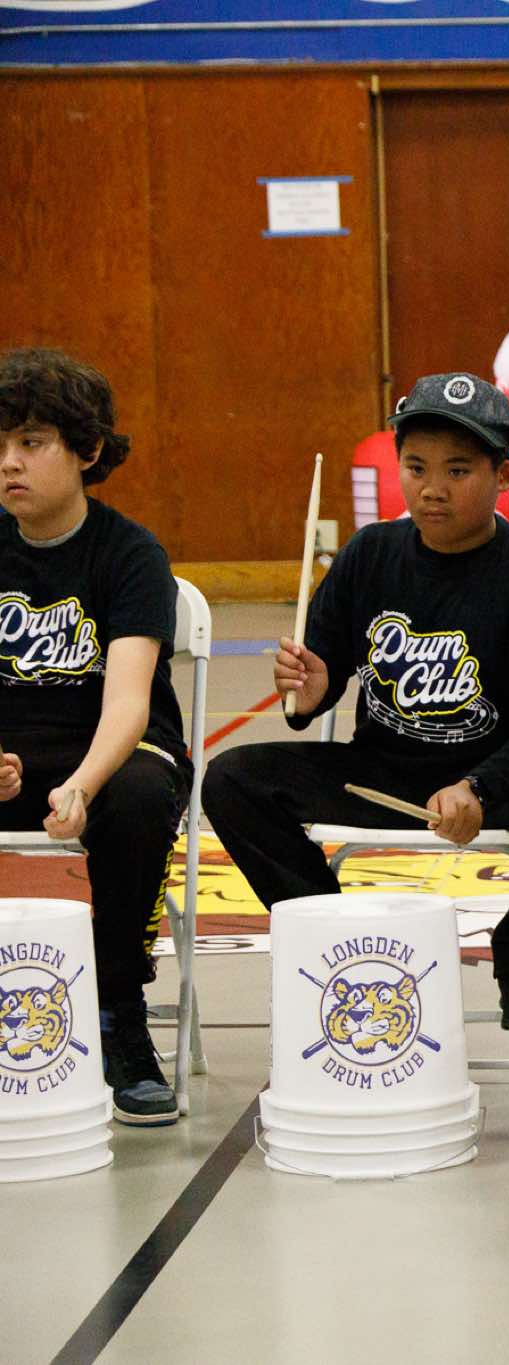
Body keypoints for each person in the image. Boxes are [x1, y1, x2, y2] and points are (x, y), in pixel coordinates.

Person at [202, 373, 509, 1028]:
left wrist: (480, 785)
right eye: (416, 467)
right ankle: (333, 938)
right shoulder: (369, 555)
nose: (432, 487)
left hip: (498, 779)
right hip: (380, 774)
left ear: (505, 475)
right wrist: (309, 693)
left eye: (458, 470)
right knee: (231, 779)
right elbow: (321, 675)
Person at [0, 347, 191, 1125]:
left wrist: (80, 783)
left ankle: (119, 1017)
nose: (9, 462)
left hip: (112, 748)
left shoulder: (131, 554)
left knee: (139, 794)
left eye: (31, 442)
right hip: (13, 753)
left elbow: (128, 704)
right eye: (0, 444)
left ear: (86, 451)